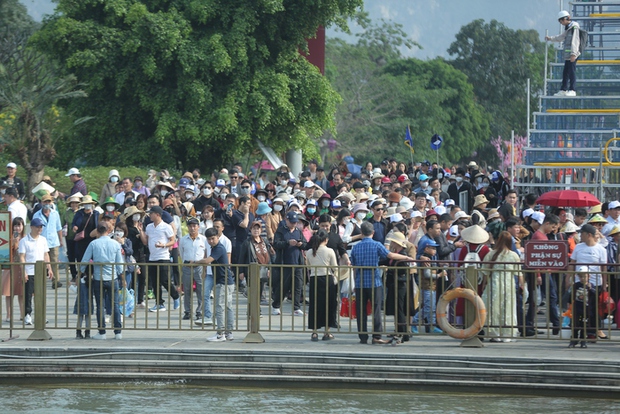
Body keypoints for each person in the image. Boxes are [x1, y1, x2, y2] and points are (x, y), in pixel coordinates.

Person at [350, 221, 414, 345]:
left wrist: (354, 283)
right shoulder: (377, 244)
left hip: (360, 282)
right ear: (373, 233)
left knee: (361, 311)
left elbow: (354, 267)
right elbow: (389, 255)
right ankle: (376, 336)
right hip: (374, 282)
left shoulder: (356, 247)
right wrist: (406, 257)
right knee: (376, 310)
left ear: (361, 233)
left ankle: (363, 337)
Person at [80, 222, 124, 340]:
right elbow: (120, 263)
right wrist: (121, 274)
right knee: (115, 304)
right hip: (112, 277)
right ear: (109, 231)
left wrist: (82, 271)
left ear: (98, 231)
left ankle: (102, 332)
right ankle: (118, 331)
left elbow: (84, 260)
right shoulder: (115, 244)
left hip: (98, 278)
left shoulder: (93, 243)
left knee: (100, 305)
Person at [480, 231, 523, 342]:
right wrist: (522, 286)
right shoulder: (513, 255)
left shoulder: (491, 254)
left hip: (494, 284)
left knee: (493, 308)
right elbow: (519, 273)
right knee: (508, 308)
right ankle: (507, 333)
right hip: (508, 284)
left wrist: (484, 285)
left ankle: (494, 333)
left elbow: (485, 273)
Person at [196, 228, 236, 342]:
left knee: (220, 307)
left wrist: (195, 262)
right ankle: (228, 333)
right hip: (225, 282)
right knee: (228, 307)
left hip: (223, 282)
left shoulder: (219, 248)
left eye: (213, 238)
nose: (211, 241)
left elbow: (208, 260)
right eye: (209, 239)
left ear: (218, 237)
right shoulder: (214, 247)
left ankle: (220, 333)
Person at [570, 224, 608, 342]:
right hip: (579, 283)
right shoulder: (578, 247)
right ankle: (577, 333)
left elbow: (604, 268)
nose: (580, 236)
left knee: (593, 308)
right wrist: (569, 278)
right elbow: (573, 262)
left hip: (594, 283)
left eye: (582, 233)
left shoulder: (601, 249)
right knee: (579, 308)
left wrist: (605, 284)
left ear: (589, 235)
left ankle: (593, 331)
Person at [139, 205, 180, 312]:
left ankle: (175, 296)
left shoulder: (166, 226)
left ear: (157, 214)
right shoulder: (149, 226)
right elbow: (145, 242)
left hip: (163, 257)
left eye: (151, 213)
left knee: (165, 280)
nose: (149, 215)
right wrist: (141, 231)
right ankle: (159, 303)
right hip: (152, 257)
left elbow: (173, 240)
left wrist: (164, 245)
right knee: (155, 281)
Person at [18, 217, 54, 325]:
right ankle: (27, 315)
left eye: (41, 227)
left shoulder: (43, 240)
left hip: (40, 271)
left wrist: (49, 268)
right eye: (37, 227)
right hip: (29, 271)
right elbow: (22, 257)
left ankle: (41, 315)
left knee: (40, 294)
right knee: (28, 294)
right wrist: (23, 271)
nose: (39, 229)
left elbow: (46, 254)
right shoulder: (24, 241)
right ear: (32, 227)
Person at [271, 211, 307, 316]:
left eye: (295, 222)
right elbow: (276, 244)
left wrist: (301, 244)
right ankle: (276, 305)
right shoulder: (281, 231)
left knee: (297, 286)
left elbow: (305, 244)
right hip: (285, 263)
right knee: (283, 286)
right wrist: (287, 243)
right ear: (286, 220)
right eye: (292, 222)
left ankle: (296, 307)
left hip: (297, 263)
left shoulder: (298, 231)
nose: (294, 224)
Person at [305, 229, 338, 341]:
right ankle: (326, 332)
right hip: (327, 278)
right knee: (328, 305)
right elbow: (334, 267)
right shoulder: (330, 251)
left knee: (315, 305)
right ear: (326, 239)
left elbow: (308, 267)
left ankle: (314, 332)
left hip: (314, 279)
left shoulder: (309, 251)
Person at [384, 232, 413, 343]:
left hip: (400, 284)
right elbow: (386, 261)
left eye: (392, 241)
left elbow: (402, 270)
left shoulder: (403, 254)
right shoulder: (396, 253)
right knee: (398, 309)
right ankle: (401, 331)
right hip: (395, 283)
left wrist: (390, 269)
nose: (391, 243)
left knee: (400, 309)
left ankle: (403, 332)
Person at [412, 239, 444, 334]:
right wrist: (439, 275)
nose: (435, 250)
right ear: (426, 249)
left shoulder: (432, 258)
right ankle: (414, 322)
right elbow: (427, 274)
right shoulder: (426, 259)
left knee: (432, 308)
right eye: (432, 248)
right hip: (427, 287)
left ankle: (432, 326)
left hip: (432, 287)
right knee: (427, 308)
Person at [546, 10, 581, 97]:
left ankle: (572, 89)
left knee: (572, 71)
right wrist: (551, 38)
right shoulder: (568, 28)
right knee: (566, 72)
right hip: (568, 55)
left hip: (572, 54)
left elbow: (575, 41)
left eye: (562, 21)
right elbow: (561, 37)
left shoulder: (574, 27)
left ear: (566, 18)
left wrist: (573, 54)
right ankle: (563, 89)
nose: (561, 23)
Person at [33, 194, 64, 289]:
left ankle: (56, 281)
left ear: (51, 203)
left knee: (54, 261)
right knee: (41, 262)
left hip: (53, 241)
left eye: (49, 202)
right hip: (41, 241)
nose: (47, 204)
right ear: (41, 203)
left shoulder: (55, 213)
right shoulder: (37, 215)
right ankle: (40, 281)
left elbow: (59, 228)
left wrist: (61, 239)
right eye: (45, 202)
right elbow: (34, 228)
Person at [178, 217, 206, 322]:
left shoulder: (203, 239)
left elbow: (206, 253)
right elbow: (181, 252)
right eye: (190, 226)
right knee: (187, 289)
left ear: (198, 227)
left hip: (199, 266)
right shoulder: (183, 239)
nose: (192, 228)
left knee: (200, 289)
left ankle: (200, 311)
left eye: (194, 226)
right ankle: (187, 311)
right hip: (187, 266)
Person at [2, 217, 25, 323]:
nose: (17, 228)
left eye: (19, 225)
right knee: (9, 292)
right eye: (15, 225)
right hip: (11, 266)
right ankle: (9, 315)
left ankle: (22, 314)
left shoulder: (25, 238)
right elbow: (7, 252)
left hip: (21, 267)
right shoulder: (9, 238)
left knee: (21, 292)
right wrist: (13, 243)